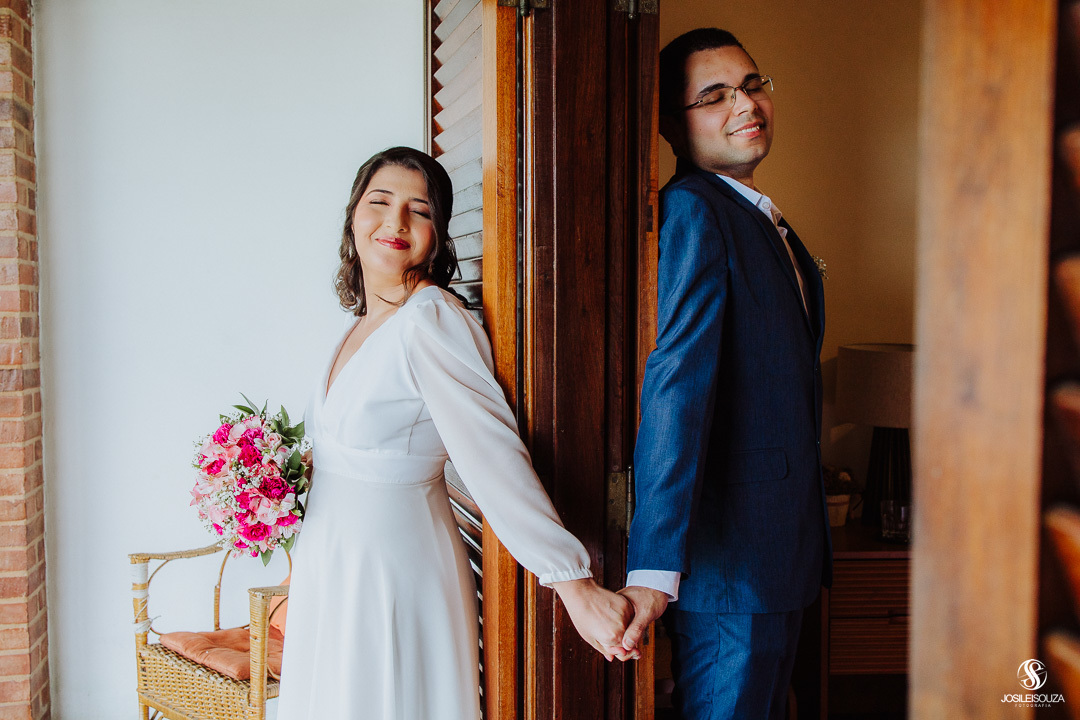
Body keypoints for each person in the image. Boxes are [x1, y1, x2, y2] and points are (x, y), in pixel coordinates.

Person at [276, 146, 632, 720]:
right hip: (333, 564)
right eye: (380, 202)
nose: (395, 223)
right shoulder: (362, 323)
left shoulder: (431, 319)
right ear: (353, 216)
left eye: (419, 211)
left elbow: (492, 455)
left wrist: (571, 580)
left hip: (393, 565)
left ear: (438, 236)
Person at [617, 29, 833, 719]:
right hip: (730, 571)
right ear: (673, 126)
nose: (745, 103)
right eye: (714, 96)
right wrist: (653, 568)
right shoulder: (693, 211)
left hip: (777, 558)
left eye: (752, 84)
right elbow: (676, 386)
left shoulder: (764, 220)